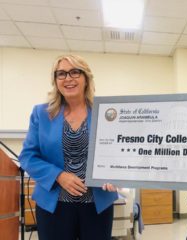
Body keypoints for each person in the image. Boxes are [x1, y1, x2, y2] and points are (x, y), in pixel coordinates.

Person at [19, 55, 118, 240]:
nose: (68, 78)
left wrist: (115, 173)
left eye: (75, 72)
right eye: (61, 74)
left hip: (97, 204)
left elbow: (116, 153)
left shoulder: (105, 113)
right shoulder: (41, 113)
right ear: (55, 81)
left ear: (86, 78)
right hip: (54, 205)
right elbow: (27, 156)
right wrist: (59, 176)